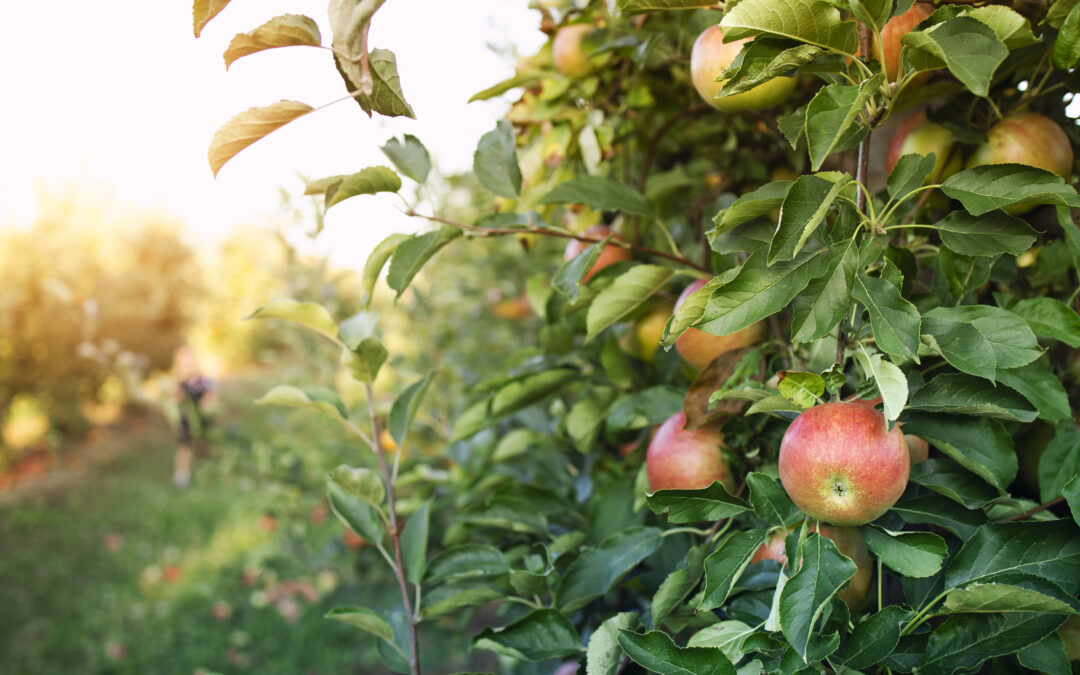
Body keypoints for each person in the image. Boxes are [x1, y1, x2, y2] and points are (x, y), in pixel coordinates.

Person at [171, 346, 216, 488]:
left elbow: (211, 394)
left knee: (208, 441)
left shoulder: (201, 379)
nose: (187, 366)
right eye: (183, 364)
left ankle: (210, 469)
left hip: (203, 417)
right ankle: (181, 474)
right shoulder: (180, 382)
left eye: (189, 363)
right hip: (188, 419)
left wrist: (207, 402)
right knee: (185, 445)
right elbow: (175, 399)